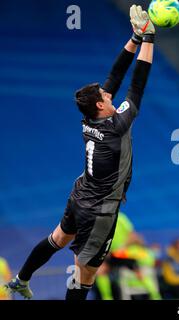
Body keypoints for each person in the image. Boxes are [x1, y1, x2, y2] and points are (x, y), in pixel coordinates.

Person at [5, 5, 156, 300]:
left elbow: (116, 74)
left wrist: (135, 38)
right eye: (104, 95)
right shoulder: (116, 126)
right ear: (100, 105)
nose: (108, 93)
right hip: (99, 208)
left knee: (58, 238)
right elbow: (137, 85)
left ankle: (21, 278)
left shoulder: (90, 120)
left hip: (80, 194)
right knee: (84, 273)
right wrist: (150, 39)